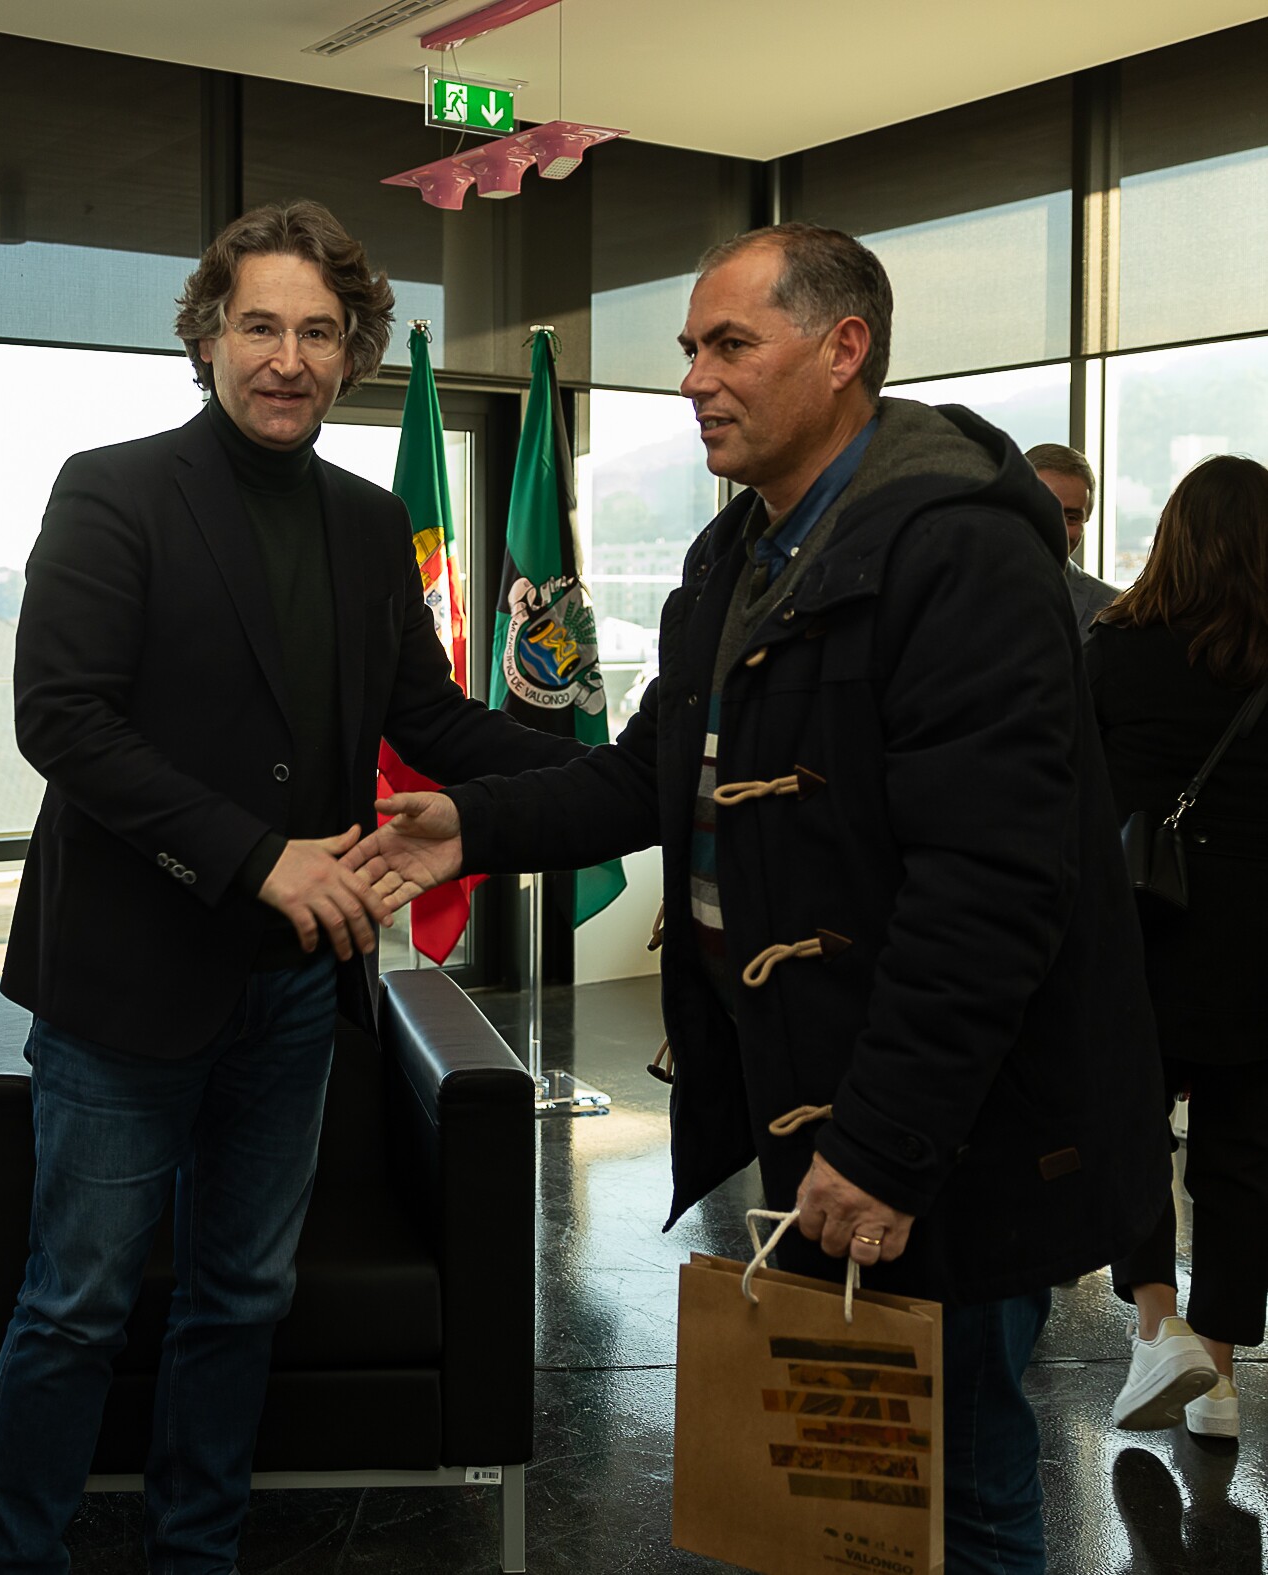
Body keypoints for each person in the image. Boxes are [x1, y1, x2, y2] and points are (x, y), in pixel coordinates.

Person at [348, 224, 1165, 1573]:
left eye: (728, 344)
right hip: (820, 1092)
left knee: (960, 1482)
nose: (691, 379)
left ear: (843, 349)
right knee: (856, 1480)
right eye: (689, 348)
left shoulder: (958, 553)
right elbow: (654, 772)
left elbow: (990, 886)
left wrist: (883, 1145)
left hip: (953, 1128)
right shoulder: (738, 554)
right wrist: (473, 823)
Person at [0, 200, 586, 1575]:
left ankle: (197, 1552)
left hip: (295, 991)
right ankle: (14, 1560)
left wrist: (612, 773)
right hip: (126, 983)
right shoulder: (111, 488)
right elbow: (61, 718)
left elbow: (429, 715)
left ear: (352, 351)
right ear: (205, 336)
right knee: (73, 1307)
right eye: (259, 326)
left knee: (243, 1294)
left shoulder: (369, 523)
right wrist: (257, 857)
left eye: (318, 332)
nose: (287, 358)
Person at [1093, 454, 1268, 1442]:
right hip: (1258, 953)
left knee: (1129, 1130)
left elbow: (1072, 796)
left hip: (1141, 935)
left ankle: (1158, 1326)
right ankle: (1223, 1378)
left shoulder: (1116, 650)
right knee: (1242, 1160)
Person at [1027, 442, 1119, 627]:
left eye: (1071, 518)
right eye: (1044, 512)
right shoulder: (969, 591)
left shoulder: (1114, 610)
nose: (1057, 530)